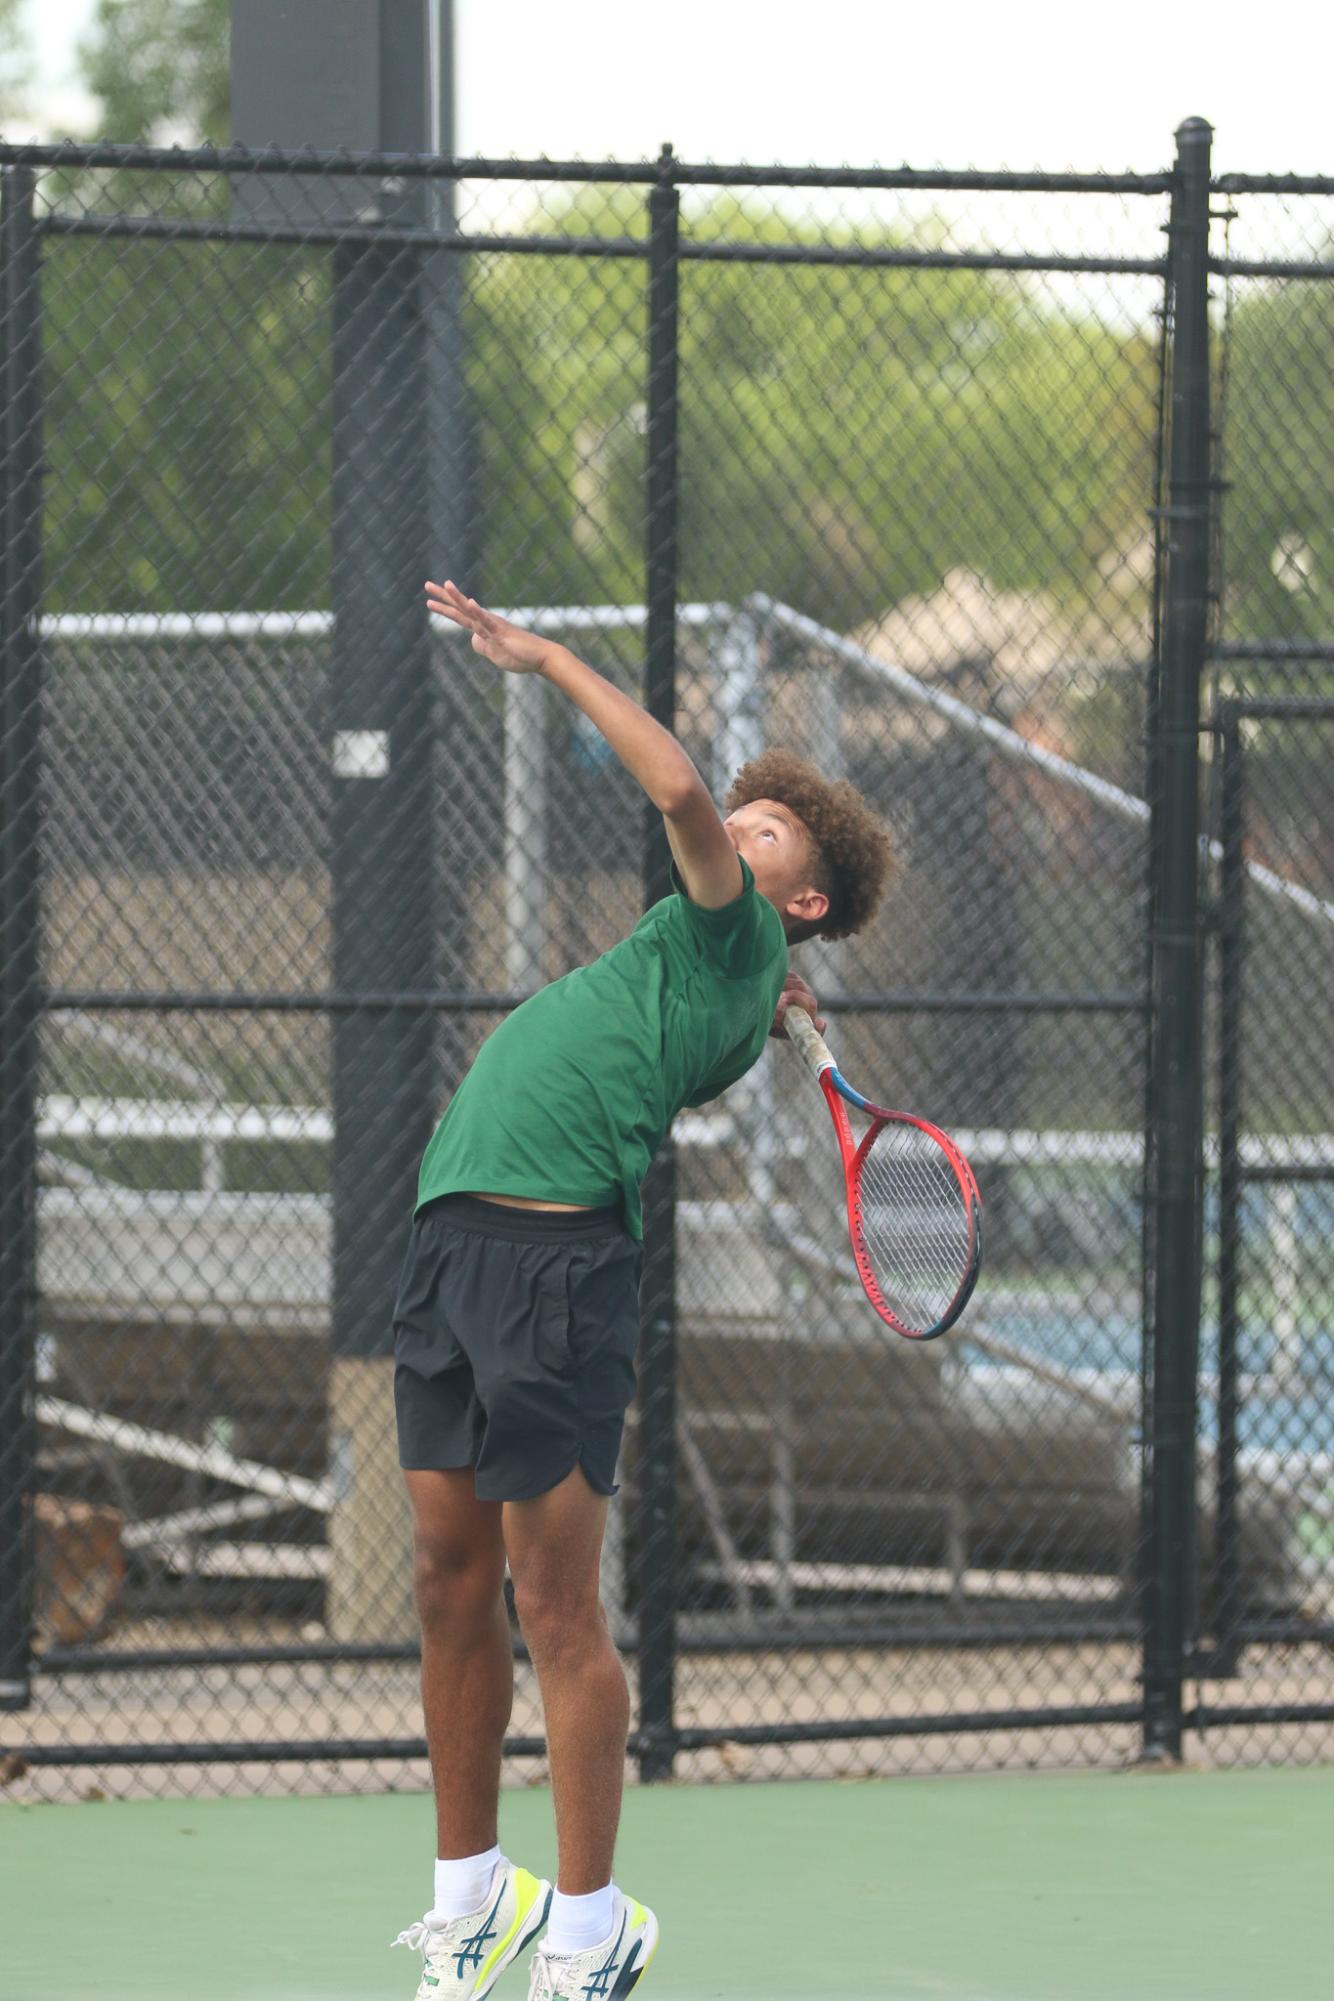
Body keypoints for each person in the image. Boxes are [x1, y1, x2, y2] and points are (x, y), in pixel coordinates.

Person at [391, 582, 894, 2001]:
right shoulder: (722, 960)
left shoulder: (732, 934)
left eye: (765, 827)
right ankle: (472, 1898)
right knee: (444, 1578)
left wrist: (541, 654)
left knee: (553, 1605)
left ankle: (595, 1922)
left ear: (796, 901)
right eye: (743, 811)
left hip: (555, 1270)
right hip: (447, 1245)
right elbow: (703, 833)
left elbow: (670, 779)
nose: (731, 820)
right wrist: (774, 994)